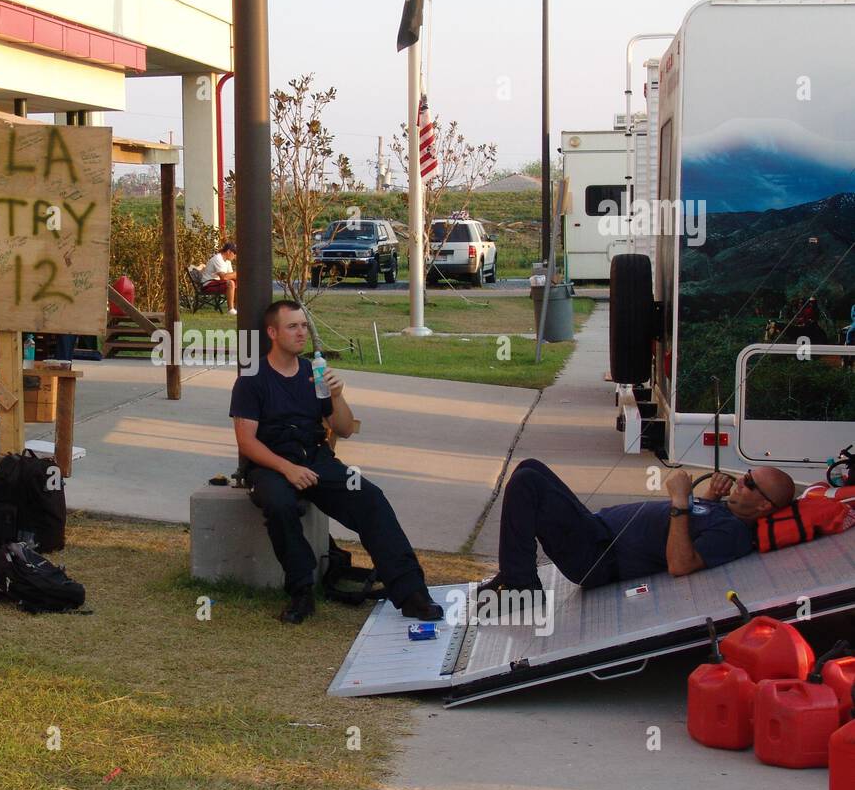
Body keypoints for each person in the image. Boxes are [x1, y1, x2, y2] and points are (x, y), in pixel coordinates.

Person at [230, 299, 444, 624]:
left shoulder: (313, 374)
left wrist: (336, 395)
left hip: (315, 457)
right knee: (279, 503)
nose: (301, 332)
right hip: (271, 462)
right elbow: (246, 441)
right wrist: (287, 468)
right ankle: (302, 592)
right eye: (292, 326)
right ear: (273, 332)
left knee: (370, 497)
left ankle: (412, 593)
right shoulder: (253, 378)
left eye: (304, 325)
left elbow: (344, 428)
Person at [482, 458, 796, 592]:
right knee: (530, 468)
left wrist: (680, 501)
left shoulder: (736, 534)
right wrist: (709, 498)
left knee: (526, 482)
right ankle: (515, 575)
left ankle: (520, 584)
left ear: (764, 505)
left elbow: (681, 563)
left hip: (598, 558)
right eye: (746, 474)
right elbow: (693, 526)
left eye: (750, 483)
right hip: (596, 531)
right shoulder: (725, 514)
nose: (742, 480)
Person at [202, 242, 239, 315]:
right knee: (231, 283)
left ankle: (237, 308)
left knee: (237, 282)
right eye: (234, 253)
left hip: (217, 283)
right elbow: (224, 277)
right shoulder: (218, 259)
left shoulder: (227, 261)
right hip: (208, 284)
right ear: (228, 251)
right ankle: (230, 310)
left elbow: (231, 275)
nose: (235, 256)